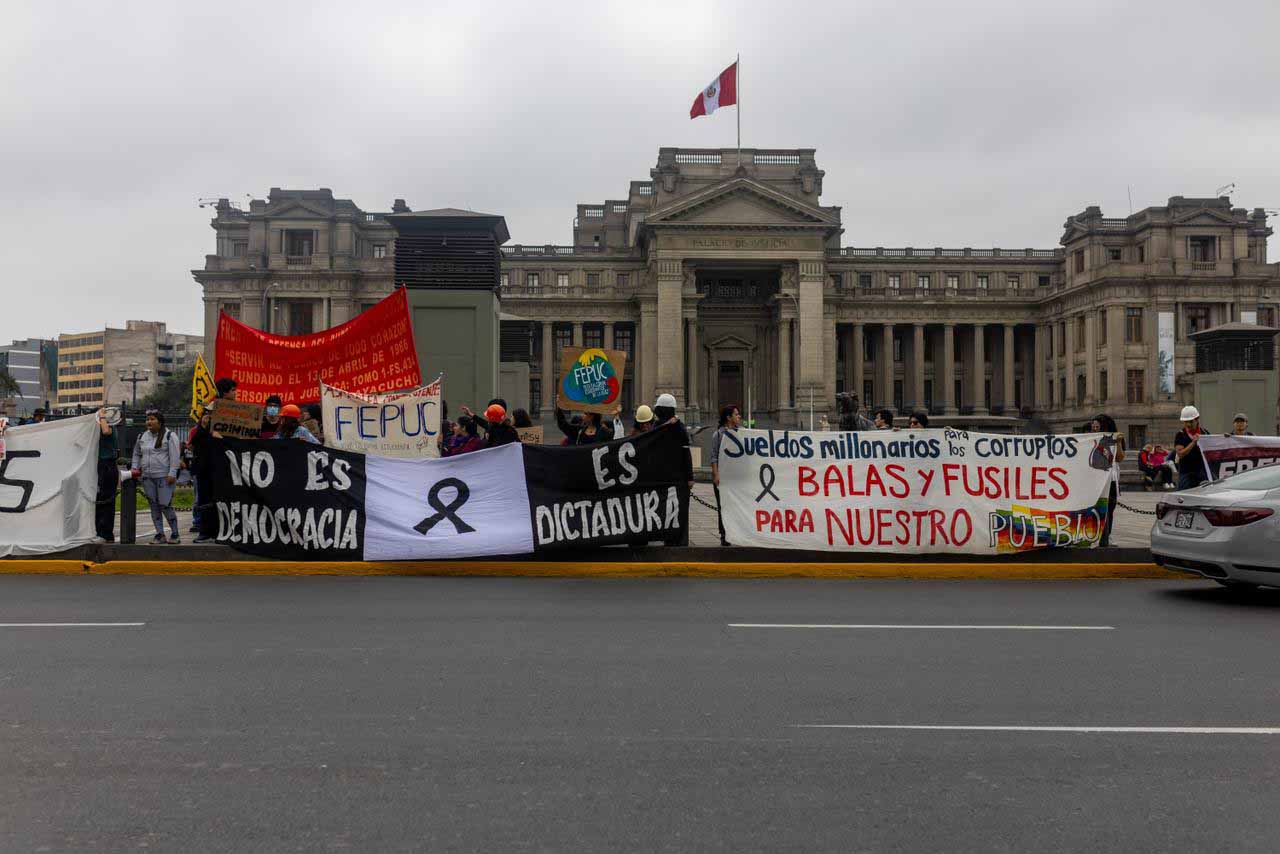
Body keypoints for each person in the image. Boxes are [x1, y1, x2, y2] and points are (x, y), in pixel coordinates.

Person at [131, 410, 181, 544]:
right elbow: (136, 453)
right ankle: (160, 534)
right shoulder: (142, 436)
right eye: (148, 419)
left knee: (166, 505)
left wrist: (172, 474)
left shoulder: (170, 436)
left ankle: (175, 534)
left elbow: (175, 457)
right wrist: (135, 468)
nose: (149, 422)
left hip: (164, 477)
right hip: (147, 477)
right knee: (153, 506)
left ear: (160, 422)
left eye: (152, 419)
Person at [653, 393, 693, 546]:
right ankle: (678, 538)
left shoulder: (659, 427)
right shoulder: (678, 427)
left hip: (664, 476)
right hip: (677, 476)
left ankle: (669, 537)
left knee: (667, 509)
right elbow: (686, 454)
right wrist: (689, 477)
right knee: (678, 509)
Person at [1091, 414, 1125, 546]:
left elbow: (1120, 458)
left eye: (1097, 427)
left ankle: (1107, 535)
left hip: (1111, 479)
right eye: (1093, 427)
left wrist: (1119, 443)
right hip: (1095, 480)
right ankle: (1095, 535)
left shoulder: (1115, 438)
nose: (1094, 429)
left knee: (1110, 509)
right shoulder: (1091, 439)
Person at [710, 404, 742, 547]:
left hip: (736, 478)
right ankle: (724, 534)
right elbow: (714, 457)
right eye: (736, 414)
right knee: (723, 507)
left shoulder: (741, 434)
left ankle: (737, 533)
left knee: (737, 507)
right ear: (729, 418)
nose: (739, 416)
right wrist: (716, 475)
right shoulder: (718, 435)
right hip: (722, 478)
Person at [94, 409, 119, 543]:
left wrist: (102, 416)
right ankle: (99, 531)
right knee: (99, 500)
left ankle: (106, 533)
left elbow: (105, 431)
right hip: (100, 465)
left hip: (107, 466)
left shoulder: (110, 428)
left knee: (106, 501)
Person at [1174, 405, 1207, 491]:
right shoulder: (1180, 435)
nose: (1188, 424)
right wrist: (1193, 442)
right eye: (1185, 422)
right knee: (1183, 497)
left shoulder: (1205, 433)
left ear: (1197, 419)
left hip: (1202, 473)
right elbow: (1180, 454)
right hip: (1186, 472)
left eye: (1191, 421)